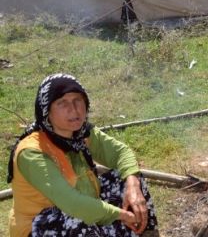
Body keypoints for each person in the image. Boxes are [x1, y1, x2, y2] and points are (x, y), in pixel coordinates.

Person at [7, 73, 158, 237]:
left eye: (77, 100)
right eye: (62, 103)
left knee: (127, 178)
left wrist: (133, 185)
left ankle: (145, 233)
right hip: (42, 227)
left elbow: (121, 153)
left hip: (84, 207)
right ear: (46, 112)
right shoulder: (32, 152)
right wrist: (120, 214)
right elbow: (72, 203)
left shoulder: (81, 133)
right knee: (74, 219)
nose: (73, 109)